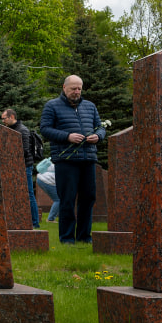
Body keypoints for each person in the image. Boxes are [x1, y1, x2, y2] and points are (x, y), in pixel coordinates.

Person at [40, 74, 102, 244]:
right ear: (64, 87)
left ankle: (84, 237)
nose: (76, 92)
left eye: (79, 89)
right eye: (73, 88)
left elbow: (100, 127)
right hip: (65, 160)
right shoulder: (52, 106)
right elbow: (45, 129)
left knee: (88, 198)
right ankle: (67, 239)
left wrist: (98, 136)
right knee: (67, 199)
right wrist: (67, 136)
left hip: (88, 159)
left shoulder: (90, 106)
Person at [1, 108, 39, 229]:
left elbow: (25, 151)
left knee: (29, 194)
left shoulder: (22, 130)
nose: (3, 121)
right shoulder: (12, 129)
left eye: (4, 118)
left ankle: (35, 222)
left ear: (12, 117)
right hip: (15, 166)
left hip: (25, 166)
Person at [35, 157, 59, 222]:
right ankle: (50, 219)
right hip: (46, 181)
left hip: (41, 179)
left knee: (58, 199)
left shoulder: (57, 165)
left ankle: (53, 217)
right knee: (58, 200)